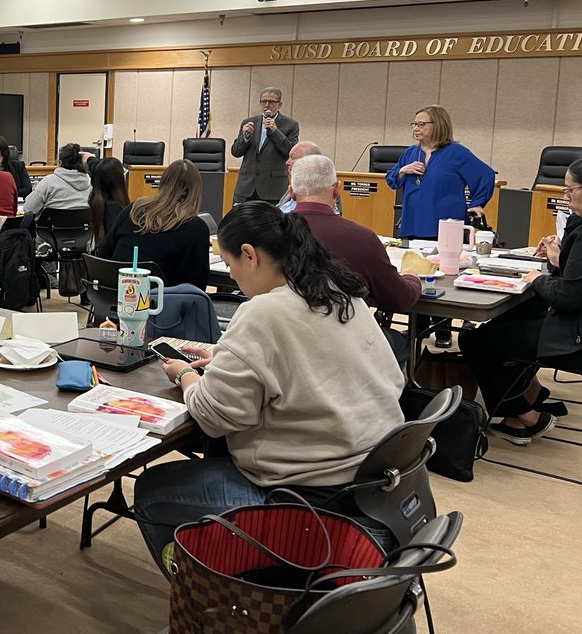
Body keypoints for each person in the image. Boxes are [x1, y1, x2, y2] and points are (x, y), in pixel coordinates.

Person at [133, 201, 405, 572]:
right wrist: (234, 365)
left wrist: (185, 376)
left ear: (250, 255)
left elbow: (214, 416)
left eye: (230, 266)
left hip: (308, 498)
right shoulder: (338, 291)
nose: (234, 277)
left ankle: (217, 596)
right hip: (374, 483)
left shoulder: (264, 312)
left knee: (154, 490)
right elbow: (342, 366)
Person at [459, 158, 582, 445]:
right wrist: (557, 259)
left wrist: (536, 279)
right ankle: (532, 393)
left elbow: (568, 296)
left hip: (574, 336)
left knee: (476, 342)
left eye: (569, 191)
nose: (565, 198)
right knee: (512, 321)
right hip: (574, 325)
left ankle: (525, 417)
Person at [290, 155, 421, 365]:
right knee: (401, 341)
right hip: (343, 341)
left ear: (291, 192)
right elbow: (399, 300)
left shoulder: (269, 235)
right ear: (336, 190)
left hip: (284, 339)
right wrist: (412, 277)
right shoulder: (362, 239)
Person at [385, 104, 495, 239]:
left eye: (421, 124)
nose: (416, 128)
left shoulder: (456, 153)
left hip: (445, 226)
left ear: (438, 125)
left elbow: (485, 175)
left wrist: (477, 204)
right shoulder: (410, 153)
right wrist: (402, 170)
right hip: (412, 223)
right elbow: (391, 178)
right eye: (414, 124)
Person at [97, 159, 210, 289]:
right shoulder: (195, 227)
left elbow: (103, 255)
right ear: (195, 191)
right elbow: (195, 287)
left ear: (162, 182)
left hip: (109, 297)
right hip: (158, 304)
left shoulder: (134, 209)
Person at [230, 87, 300, 203]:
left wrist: (275, 131)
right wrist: (245, 137)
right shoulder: (249, 122)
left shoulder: (291, 125)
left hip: (273, 189)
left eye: (271, 102)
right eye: (263, 101)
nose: (267, 105)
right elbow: (236, 152)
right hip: (246, 188)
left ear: (279, 104)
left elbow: (290, 152)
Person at [22, 143, 92, 216]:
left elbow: (28, 208)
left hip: (51, 226)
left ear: (60, 163)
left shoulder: (49, 182)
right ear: (82, 163)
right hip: (83, 226)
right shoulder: (91, 182)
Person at [276, 141, 339, 214]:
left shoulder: (325, 189)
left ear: (309, 161)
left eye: (292, 158)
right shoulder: (295, 184)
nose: (287, 162)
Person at [89, 157, 130, 248]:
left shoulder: (94, 201)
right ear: (119, 180)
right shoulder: (115, 209)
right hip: (114, 258)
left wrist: (90, 158)